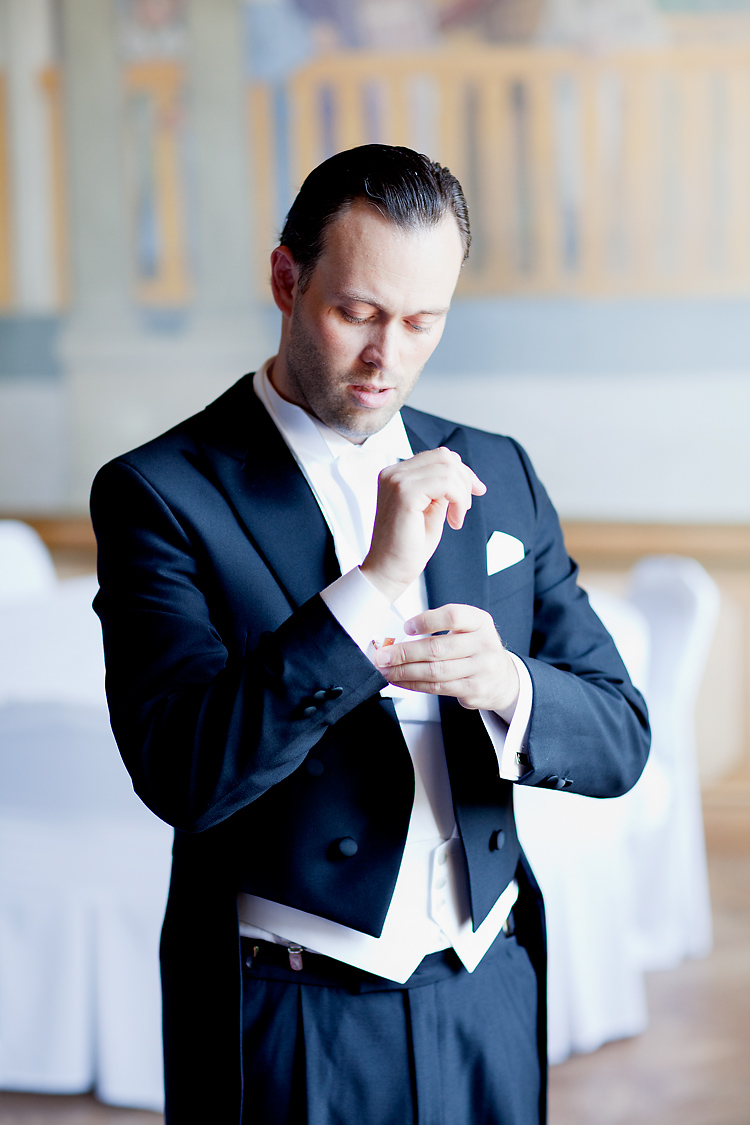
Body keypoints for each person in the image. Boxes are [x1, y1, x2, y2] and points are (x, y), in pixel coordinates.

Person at [90, 144, 649, 1125]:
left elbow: (620, 734)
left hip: (489, 988)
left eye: (423, 321)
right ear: (284, 279)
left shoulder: (497, 471)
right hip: (293, 1018)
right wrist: (374, 586)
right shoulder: (161, 493)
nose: (388, 355)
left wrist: (512, 686)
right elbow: (185, 772)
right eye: (357, 313)